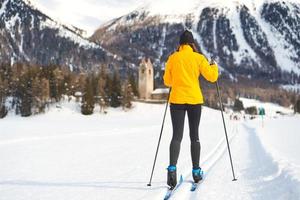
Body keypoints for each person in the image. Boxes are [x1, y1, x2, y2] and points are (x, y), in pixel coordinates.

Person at [163, 30, 219, 188]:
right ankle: (196, 172)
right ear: (192, 43)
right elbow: (212, 77)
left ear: (180, 44)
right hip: (194, 100)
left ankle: (172, 172)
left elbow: (167, 81)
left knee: (176, 136)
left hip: (177, 100)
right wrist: (214, 66)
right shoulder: (199, 58)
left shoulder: (173, 58)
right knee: (194, 136)